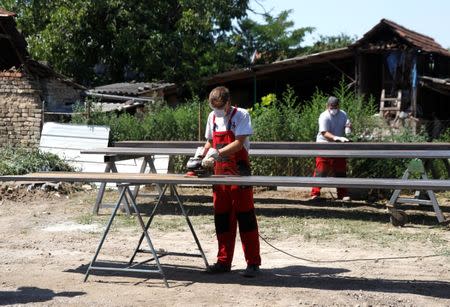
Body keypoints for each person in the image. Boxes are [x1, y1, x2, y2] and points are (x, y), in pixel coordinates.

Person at [201, 86, 261, 277]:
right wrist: (201, 156)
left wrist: (217, 154)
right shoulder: (212, 117)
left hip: (239, 172)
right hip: (219, 176)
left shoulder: (241, 115)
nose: (217, 111)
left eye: (220, 107)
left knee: (245, 219)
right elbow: (210, 141)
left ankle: (253, 263)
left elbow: (239, 142)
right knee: (222, 220)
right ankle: (223, 261)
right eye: (214, 107)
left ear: (228, 102)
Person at [311, 96, 351, 201]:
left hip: (339, 145)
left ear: (338, 106)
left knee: (340, 170)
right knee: (321, 170)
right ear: (327, 105)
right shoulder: (324, 116)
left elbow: (347, 125)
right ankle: (315, 193)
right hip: (323, 144)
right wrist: (335, 138)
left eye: (335, 106)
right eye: (331, 106)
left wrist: (349, 127)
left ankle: (342, 194)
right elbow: (324, 133)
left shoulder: (343, 114)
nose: (333, 108)